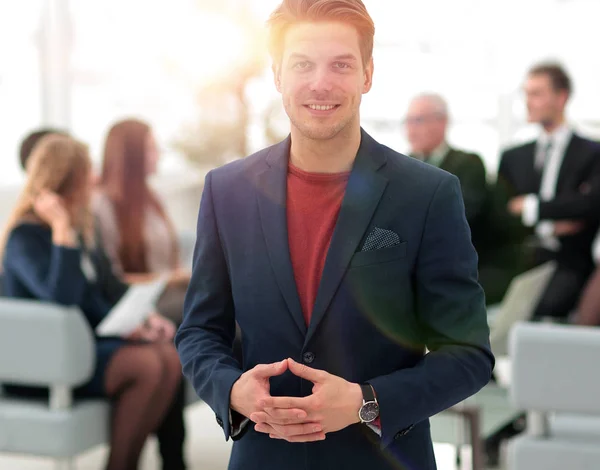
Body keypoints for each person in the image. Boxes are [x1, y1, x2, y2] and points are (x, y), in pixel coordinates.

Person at [175, 1, 493, 469]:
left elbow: (468, 354)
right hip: (264, 458)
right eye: (302, 64)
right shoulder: (226, 191)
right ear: (278, 75)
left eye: (340, 64)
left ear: (367, 73)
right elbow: (200, 330)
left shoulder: (429, 193)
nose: (320, 82)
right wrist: (232, 389)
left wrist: (368, 401)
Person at [1, 134, 186, 470]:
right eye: (88, 172)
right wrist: (61, 231)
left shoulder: (82, 227)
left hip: (87, 347)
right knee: (147, 366)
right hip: (47, 363)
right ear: (67, 179)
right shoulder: (24, 238)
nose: (95, 179)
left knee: (169, 357)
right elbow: (63, 298)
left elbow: (100, 294)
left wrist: (140, 322)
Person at [497, 63, 600, 321]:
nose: (528, 102)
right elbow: (502, 212)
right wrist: (554, 221)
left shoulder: (591, 153)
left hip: (571, 263)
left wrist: (531, 208)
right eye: (526, 94)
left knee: (547, 306)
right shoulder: (513, 157)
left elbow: (590, 205)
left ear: (561, 97)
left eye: (537, 94)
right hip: (521, 260)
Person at [405, 93, 516, 305]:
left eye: (417, 120)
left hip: (463, 264)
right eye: (407, 121)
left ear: (442, 122)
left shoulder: (467, 163)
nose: (409, 129)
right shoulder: (406, 163)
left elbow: (459, 215)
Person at [93, 119, 189, 324]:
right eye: (151, 149)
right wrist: (172, 278)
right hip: (140, 302)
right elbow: (113, 280)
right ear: (131, 157)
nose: (159, 156)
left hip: (172, 293)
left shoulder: (153, 199)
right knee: (220, 317)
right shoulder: (102, 205)